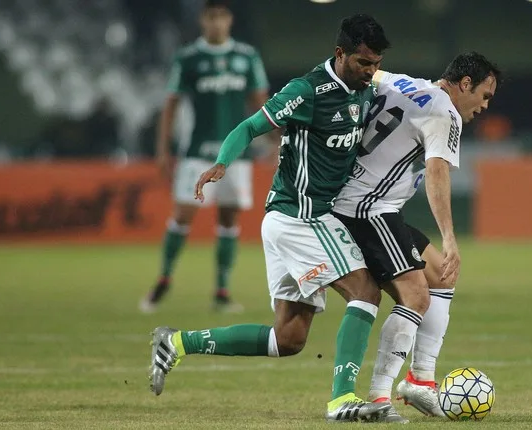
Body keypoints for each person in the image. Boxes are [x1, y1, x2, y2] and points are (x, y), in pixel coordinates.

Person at [148, 14, 408, 423]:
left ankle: (178, 343)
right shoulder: (306, 91)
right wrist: (221, 164)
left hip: (289, 220)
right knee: (366, 291)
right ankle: (342, 400)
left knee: (288, 338)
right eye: (363, 63)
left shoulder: (364, 86)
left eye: (375, 63)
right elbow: (249, 127)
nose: (370, 71)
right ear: (340, 53)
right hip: (303, 216)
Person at [333, 52, 501, 417]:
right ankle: (380, 396)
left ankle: (420, 381)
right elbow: (437, 171)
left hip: (366, 203)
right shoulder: (446, 113)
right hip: (367, 208)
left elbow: (366, 76)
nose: (485, 105)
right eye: (485, 96)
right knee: (415, 296)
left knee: (440, 276)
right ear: (465, 84)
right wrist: (451, 237)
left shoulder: (403, 81)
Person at [140, 0, 272, 313]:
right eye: (211, 17)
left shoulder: (246, 57)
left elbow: (260, 102)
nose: (216, 23)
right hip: (196, 151)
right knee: (182, 216)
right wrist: (163, 149)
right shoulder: (188, 58)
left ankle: (222, 290)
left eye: (221, 17)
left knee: (229, 220)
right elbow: (171, 103)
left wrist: (273, 140)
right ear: (203, 21)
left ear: (229, 20)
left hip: (235, 154)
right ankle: (164, 279)